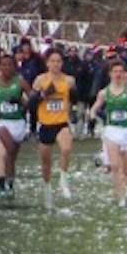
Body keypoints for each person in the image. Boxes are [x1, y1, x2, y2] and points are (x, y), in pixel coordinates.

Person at [95, 59, 127, 205]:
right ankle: (121, 197)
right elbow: (94, 109)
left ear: (124, 74)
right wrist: (96, 115)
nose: (118, 74)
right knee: (115, 165)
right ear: (110, 74)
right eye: (115, 72)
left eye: (120, 71)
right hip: (112, 130)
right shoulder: (104, 93)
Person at [32, 49, 76, 206]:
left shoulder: (69, 80)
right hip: (45, 124)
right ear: (47, 63)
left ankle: (63, 180)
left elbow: (75, 98)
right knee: (46, 163)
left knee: (66, 149)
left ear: (62, 63)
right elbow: (31, 103)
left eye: (58, 61)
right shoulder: (40, 80)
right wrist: (44, 95)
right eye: (53, 61)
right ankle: (47, 189)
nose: (56, 64)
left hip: (61, 123)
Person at [0, 53, 28, 200]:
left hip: (17, 124)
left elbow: (31, 101)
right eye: (3, 65)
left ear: (14, 66)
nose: (6, 68)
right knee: (4, 153)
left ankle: (10, 185)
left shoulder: (21, 83)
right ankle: (0, 187)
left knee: (11, 157)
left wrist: (19, 101)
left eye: (9, 64)